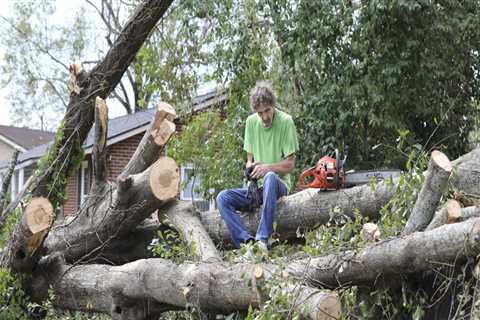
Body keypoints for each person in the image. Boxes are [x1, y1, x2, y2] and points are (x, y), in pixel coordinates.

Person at [216, 81, 299, 251]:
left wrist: (267, 168)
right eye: (260, 113)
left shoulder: (286, 122)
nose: (265, 117)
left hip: (279, 186)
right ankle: (247, 244)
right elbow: (249, 160)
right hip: (258, 190)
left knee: (269, 177)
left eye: (267, 110)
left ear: (273, 105)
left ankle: (262, 240)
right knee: (223, 198)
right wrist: (251, 167)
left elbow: (290, 165)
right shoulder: (251, 122)